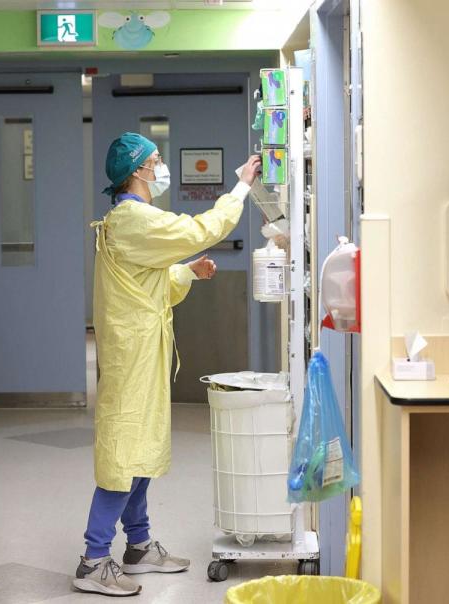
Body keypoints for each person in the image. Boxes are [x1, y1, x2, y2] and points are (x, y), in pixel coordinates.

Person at [73, 132, 262, 597]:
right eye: (155, 161)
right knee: (123, 452)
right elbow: (199, 231)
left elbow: (146, 279)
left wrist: (186, 272)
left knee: (142, 448)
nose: (161, 168)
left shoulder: (130, 222)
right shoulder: (133, 218)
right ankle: (94, 559)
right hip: (131, 353)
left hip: (142, 348)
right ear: (137, 171)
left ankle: (137, 546)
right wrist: (240, 187)